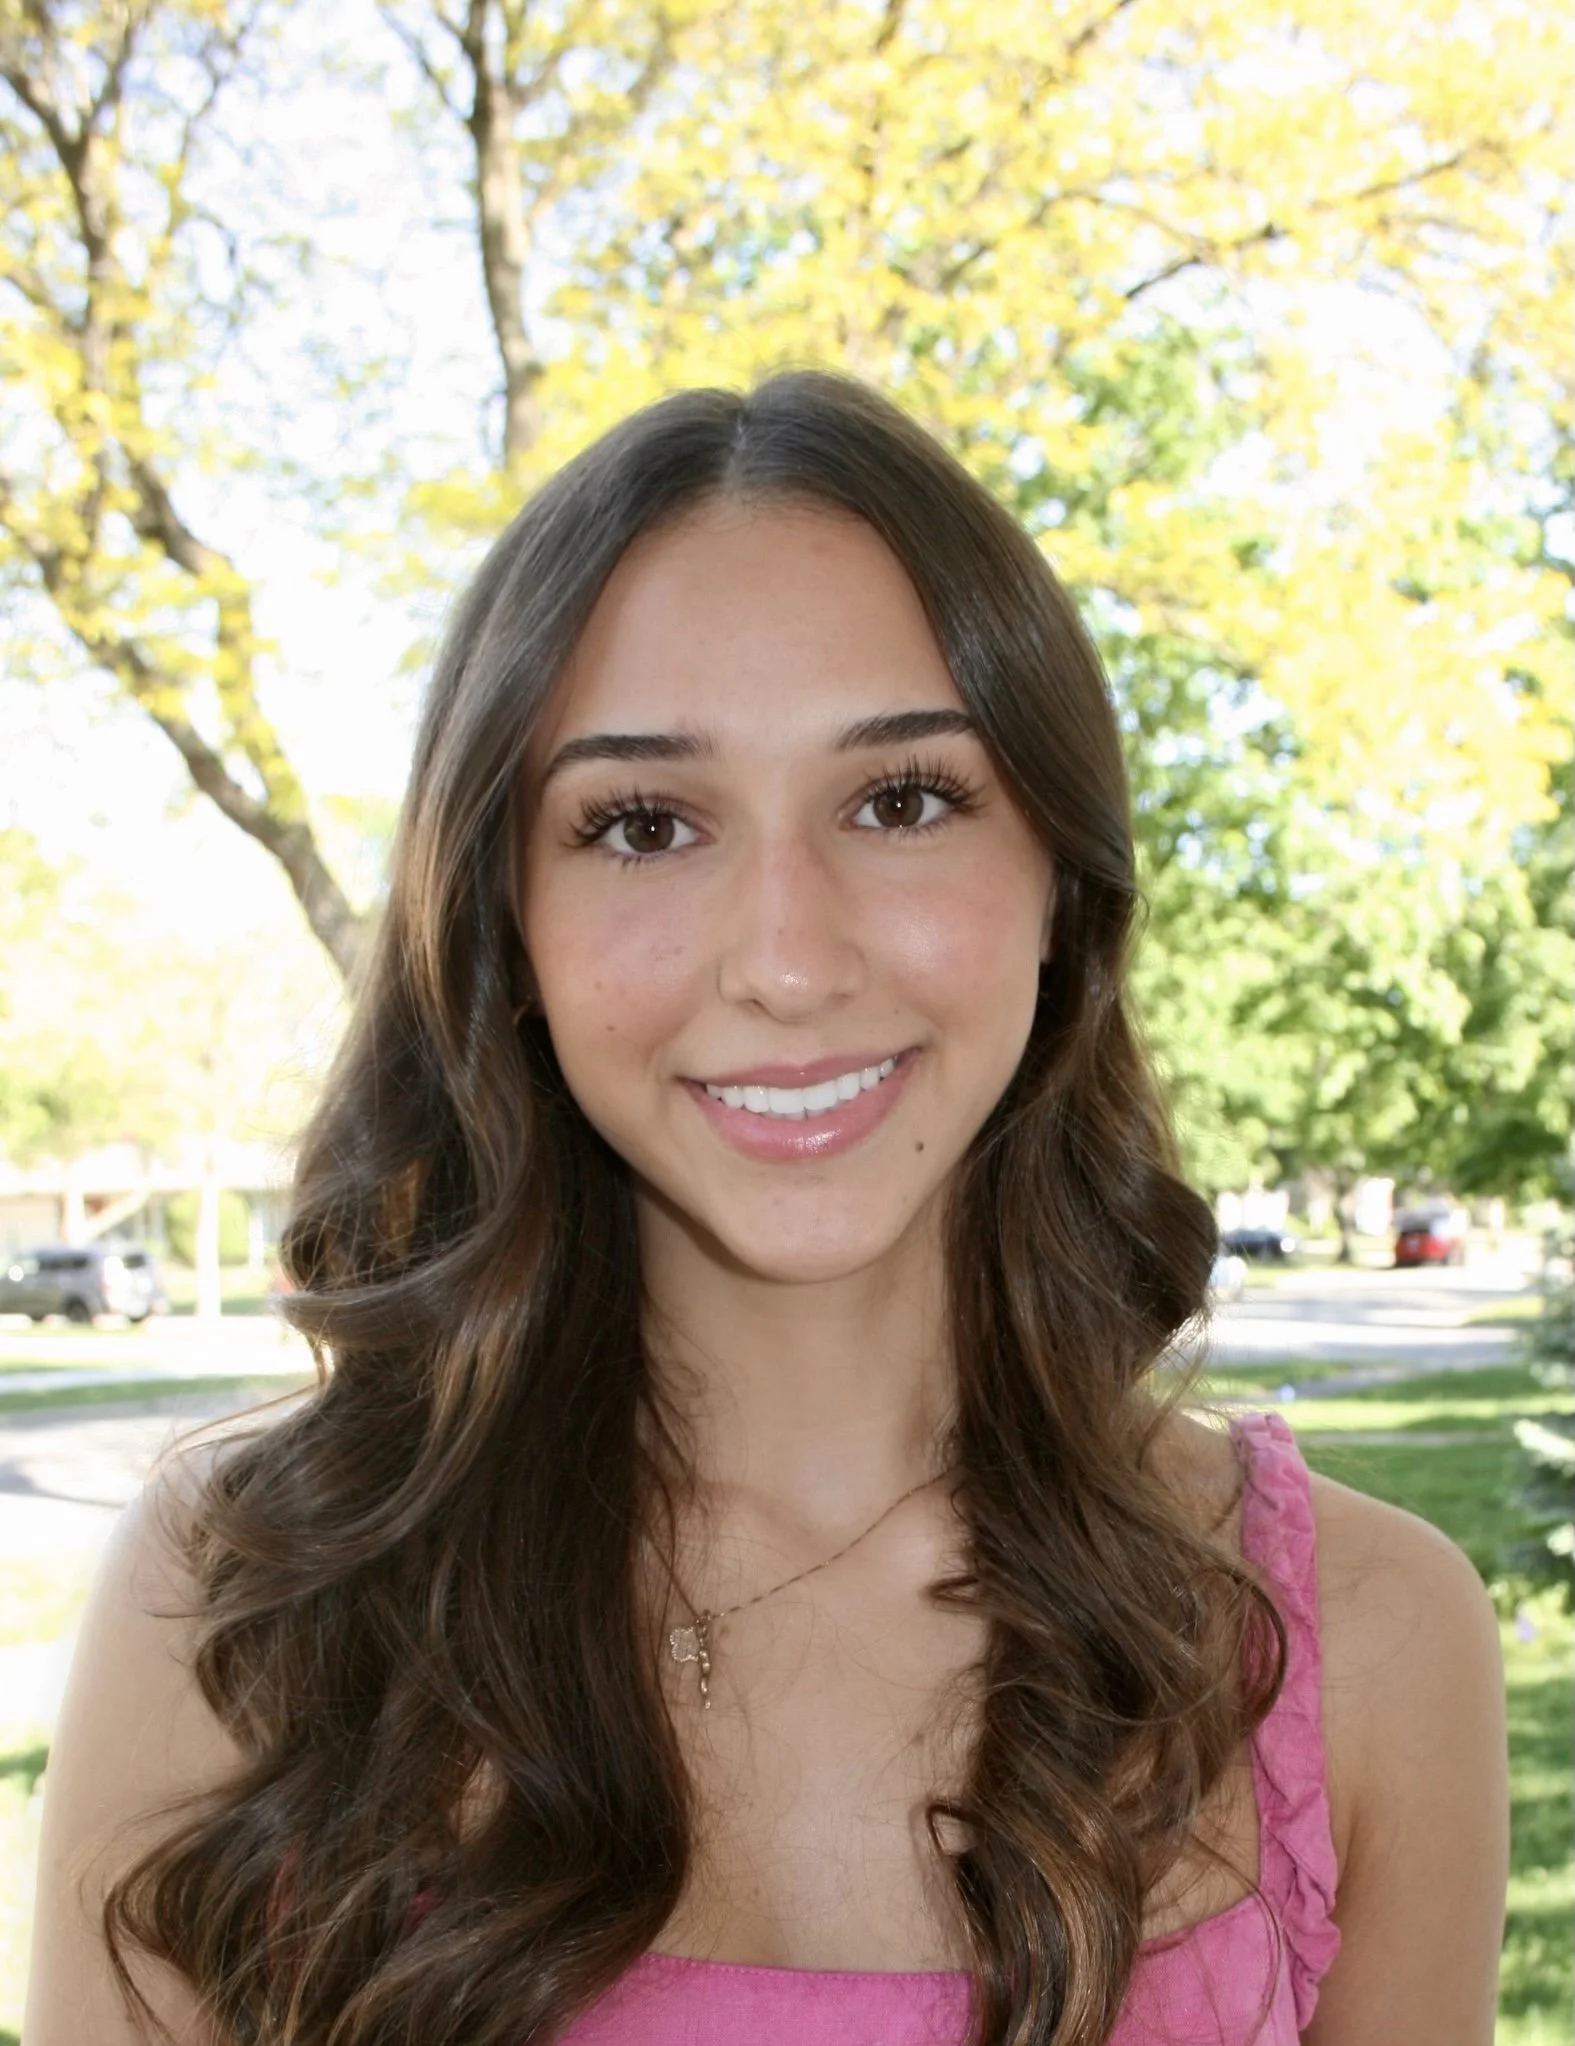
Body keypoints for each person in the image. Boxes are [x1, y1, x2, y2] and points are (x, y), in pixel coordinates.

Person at [26, 373, 1508, 2046]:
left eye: (899, 799)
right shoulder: (244, 1611)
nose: (789, 958)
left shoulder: (1367, 1653)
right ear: (506, 924)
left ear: (1057, 885)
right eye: (644, 824)